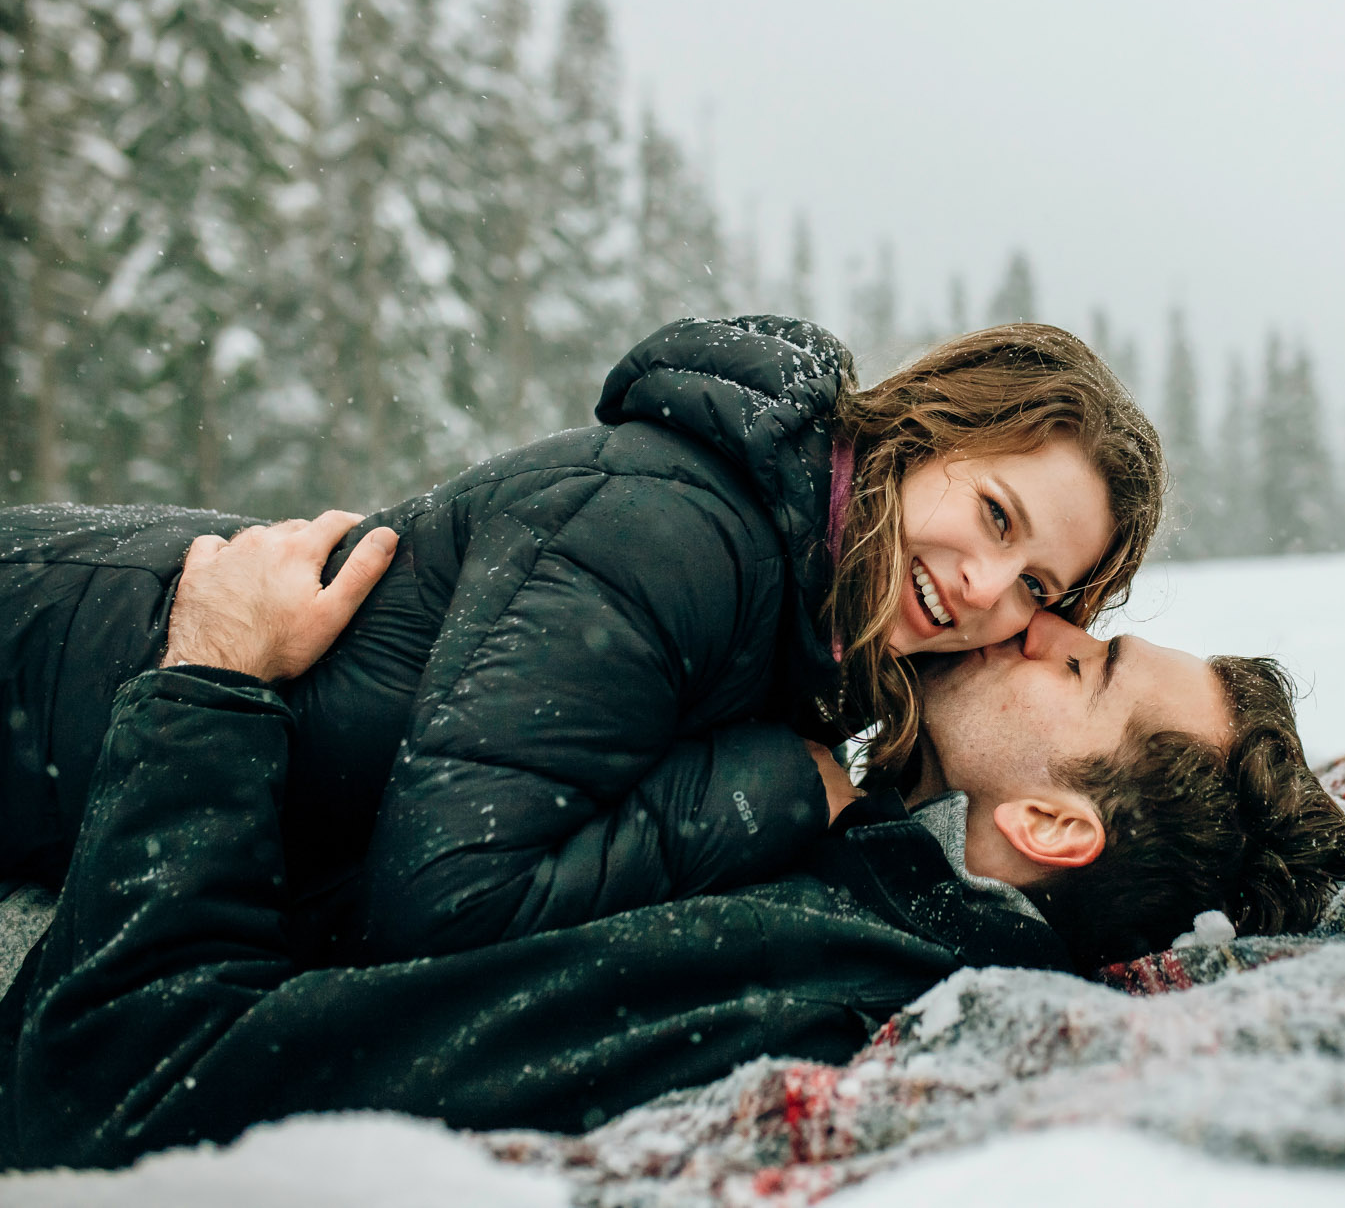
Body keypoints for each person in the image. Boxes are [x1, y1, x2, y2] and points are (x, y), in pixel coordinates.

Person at [0, 487, 1345, 1169]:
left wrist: (210, 685)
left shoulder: (794, 975)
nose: (1043, 623)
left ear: (1056, 821)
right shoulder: (842, 853)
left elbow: (124, 1073)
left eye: (1086, 669)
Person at [0, 315, 1164, 963]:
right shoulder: (672, 531)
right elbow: (447, 903)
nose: (982, 589)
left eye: (1035, 586)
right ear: (924, 431)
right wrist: (771, 785)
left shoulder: (801, 619)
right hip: (52, 655)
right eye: (995, 517)